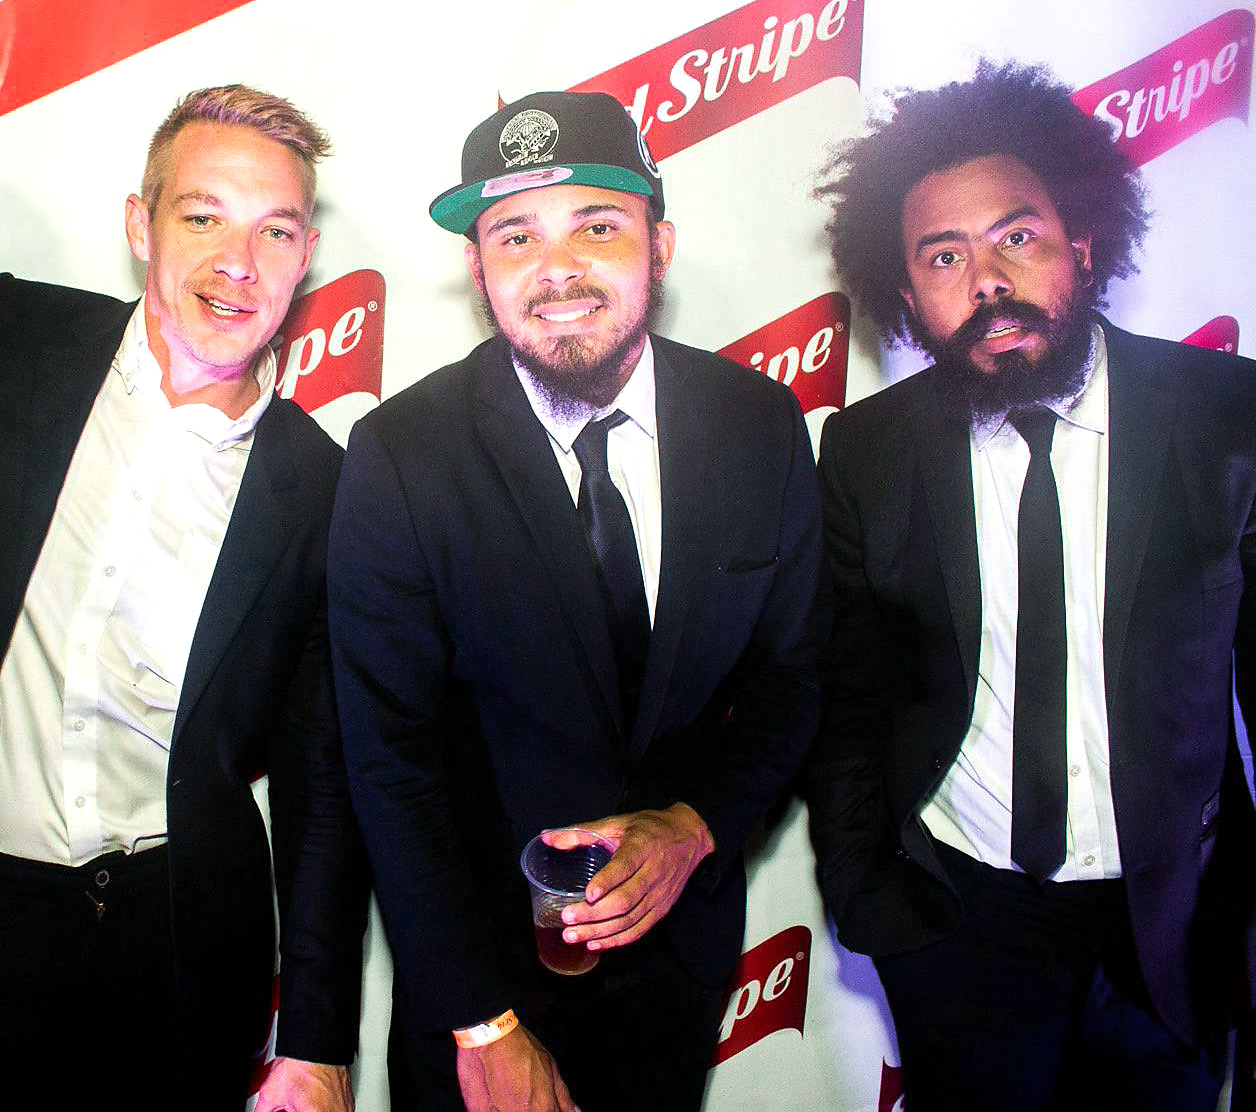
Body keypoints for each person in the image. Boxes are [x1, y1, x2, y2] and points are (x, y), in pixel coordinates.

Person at [328, 89, 824, 1111]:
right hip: (479, 993)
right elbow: (388, 761)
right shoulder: (402, 455)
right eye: (516, 235)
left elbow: (795, 679)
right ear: (477, 269)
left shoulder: (759, 424)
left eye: (597, 225)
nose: (557, 268)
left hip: (676, 974)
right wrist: (481, 1021)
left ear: (659, 244)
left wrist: (692, 824)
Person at [803, 60, 1256, 1111]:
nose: (988, 280)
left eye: (1017, 236)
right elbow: (847, 698)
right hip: (960, 926)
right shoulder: (867, 450)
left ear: (1080, 243)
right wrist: (871, 900)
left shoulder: (1226, 414)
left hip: (1173, 922)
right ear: (906, 292)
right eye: (944, 255)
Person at [0, 85, 369, 1111]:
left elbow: (320, 783)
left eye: (273, 231)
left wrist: (317, 1041)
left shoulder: (323, 488)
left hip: (175, 957)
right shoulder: (19, 341)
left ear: (305, 258)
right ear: (140, 225)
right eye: (202, 216)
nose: (236, 262)